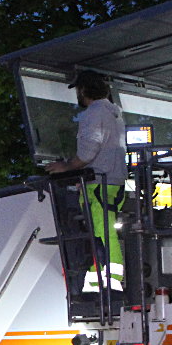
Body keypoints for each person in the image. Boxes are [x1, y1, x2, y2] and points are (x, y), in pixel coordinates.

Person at [44, 70, 126, 291]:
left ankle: (108, 282)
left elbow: (89, 151)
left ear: (83, 90)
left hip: (97, 183)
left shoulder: (93, 114)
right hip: (114, 182)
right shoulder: (114, 113)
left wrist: (67, 166)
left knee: (100, 232)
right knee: (103, 230)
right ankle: (98, 281)